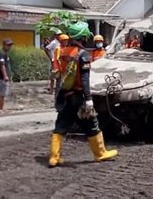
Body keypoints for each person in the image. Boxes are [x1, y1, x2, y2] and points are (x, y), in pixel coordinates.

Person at [49, 22, 118, 168]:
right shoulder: (83, 54)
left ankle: (54, 157)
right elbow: (85, 79)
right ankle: (100, 154)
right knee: (92, 124)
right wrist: (88, 99)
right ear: (82, 37)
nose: (88, 39)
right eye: (86, 36)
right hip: (79, 95)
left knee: (61, 125)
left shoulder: (63, 52)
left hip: (65, 94)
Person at [0, 38, 13, 113]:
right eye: (8, 45)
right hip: (1, 77)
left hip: (4, 77)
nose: (9, 47)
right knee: (2, 93)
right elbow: (2, 65)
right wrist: (5, 76)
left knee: (3, 93)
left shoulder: (5, 54)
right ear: (4, 45)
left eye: (10, 45)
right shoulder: (2, 54)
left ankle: (1, 108)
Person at [45, 28, 63, 95]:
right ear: (56, 35)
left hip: (60, 60)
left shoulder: (61, 41)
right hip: (54, 60)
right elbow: (46, 48)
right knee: (53, 76)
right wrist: (50, 57)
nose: (59, 36)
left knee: (60, 75)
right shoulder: (54, 42)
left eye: (60, 34)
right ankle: (51, 90)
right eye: (58, 35)